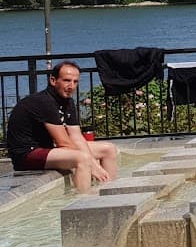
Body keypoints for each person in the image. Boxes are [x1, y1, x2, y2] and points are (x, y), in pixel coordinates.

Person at [5, 61, 119, 193]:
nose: (71, 86)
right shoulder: (43, 102)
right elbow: (63, 142)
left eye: (75, 82)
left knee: (108, 149)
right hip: (27, 154)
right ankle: (84, 202)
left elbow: (76, 136)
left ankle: (110, 192)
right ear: (53, 80)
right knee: (82, 159)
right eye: (66, 80)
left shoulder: (67, 101)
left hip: (48, 148)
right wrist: (93, 165)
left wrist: (95, 165)